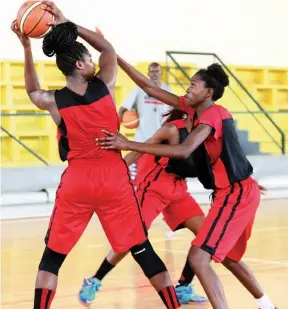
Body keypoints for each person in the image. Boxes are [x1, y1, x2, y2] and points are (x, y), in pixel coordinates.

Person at [11, 3, 181, 309]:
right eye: (88, 59)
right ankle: (172, 305)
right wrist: (68, 23)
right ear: (79, 64)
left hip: (78, 180)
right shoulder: (105, 85)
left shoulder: (53, 101)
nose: (92, 62)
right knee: (142, 250)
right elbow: (108, 49)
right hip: (113, 179)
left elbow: (33, 91)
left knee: (52, 259)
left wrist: (26, 47)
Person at [97, 59, 277, 309]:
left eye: (193, 85)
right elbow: (149, 88)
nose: (187, 89)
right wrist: (114, 56)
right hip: (230, 194)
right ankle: (267, 305)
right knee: (229, 259)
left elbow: (183, 150)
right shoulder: (192, 112)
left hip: (235, 195)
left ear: (208, 92)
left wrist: (127, 143)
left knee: (198, 257)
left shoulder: (213, 115)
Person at [78, 108, 207, 306]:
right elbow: (140, 149)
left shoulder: (204, 130)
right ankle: (94, 280)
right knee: (133, 237)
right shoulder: (172, 129)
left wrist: (242, 180)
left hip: (178, 189)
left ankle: (183, 287)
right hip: (153, 188)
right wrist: (114, 173)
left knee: (206, 234)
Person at [118, 62, 172, 182]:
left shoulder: (168, 90)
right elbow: (123, 108)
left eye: (156, 71)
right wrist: (116, 124)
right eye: (152, 71)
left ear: (161, 73)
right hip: (141, 139)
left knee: (154, 176)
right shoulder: (139, 89)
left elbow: (173, 115)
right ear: (148, 73)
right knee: (131, 175)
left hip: (159, 141)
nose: (154, 74)